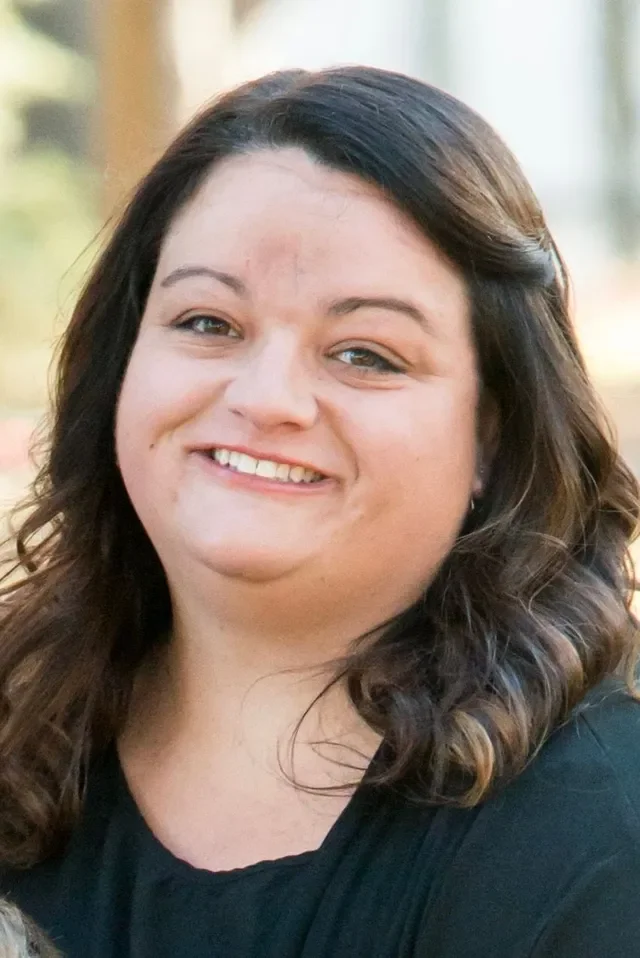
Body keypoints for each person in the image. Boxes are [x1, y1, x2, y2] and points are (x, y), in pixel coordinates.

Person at [0, 65, 639, 958]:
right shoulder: (17, 732)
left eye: (365, 354)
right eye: (208, 323)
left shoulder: (593, 836)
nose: (266, 399)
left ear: (492, 437)